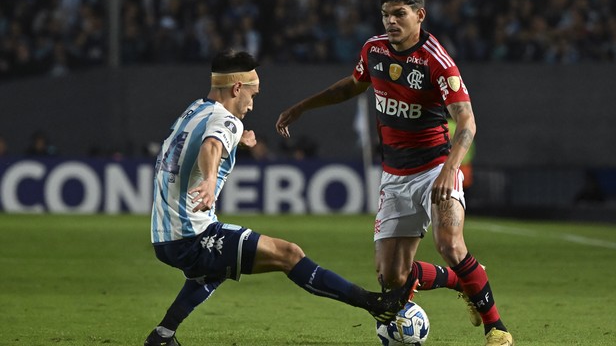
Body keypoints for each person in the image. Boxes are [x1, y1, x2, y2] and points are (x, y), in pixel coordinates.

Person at [275, 0, 513, 345]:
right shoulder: (374, 50)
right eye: (386, 13)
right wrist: (302, 106)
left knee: (450, 244)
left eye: (399, 13)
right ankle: (464, 281)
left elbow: (467, 122)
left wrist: (450, 169)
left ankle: (497, 328)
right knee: (392, 278)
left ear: (420, 15)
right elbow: (352, 86)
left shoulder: (438, 61)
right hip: (395, 174)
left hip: (435, 168)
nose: (391, 20)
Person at [144, 49, 416, 346]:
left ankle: (163, 335)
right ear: (237, 88)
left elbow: (204, 140)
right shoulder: (226, 120)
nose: (251, 103)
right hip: (191, 235)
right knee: (289, 255)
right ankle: (377, 304)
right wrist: (210, 179)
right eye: (253, 94)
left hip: (164, 235)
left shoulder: (195, 110)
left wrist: (236, 142)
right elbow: (211, 145)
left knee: (213, 271)